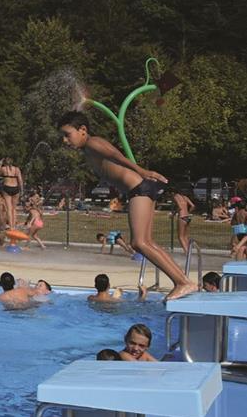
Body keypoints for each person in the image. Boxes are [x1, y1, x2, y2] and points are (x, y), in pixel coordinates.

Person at [58, 111, 196, 300]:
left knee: (139, 242)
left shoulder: (92, 142)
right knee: (145, 243)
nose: (65, 140)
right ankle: (183, 281)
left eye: (67, 135)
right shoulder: (87, 149)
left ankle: (183, 282)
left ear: (83, 130)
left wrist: (142, 171)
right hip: (139, 189)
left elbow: (116, 155)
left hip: (139, 187)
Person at [0, 158, 23, 229]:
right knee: (14, 209)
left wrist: (0, 164)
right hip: (16, 188)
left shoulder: (3, 169)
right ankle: (14, 225)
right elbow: (20, 180)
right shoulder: (17, 169)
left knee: (9, 208)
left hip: (7, 187)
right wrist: (22, 190)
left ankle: (11, 227)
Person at [170, 186, 195, 254]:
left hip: (182, 217)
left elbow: (180, 207)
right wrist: (188, 212)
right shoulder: (185, 197)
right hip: (187, 217)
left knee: (180, 237)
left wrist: (173, 214)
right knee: (185, 236)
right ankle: (190, 253)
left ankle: (187, 253)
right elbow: (193, 206)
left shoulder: (175, 197)